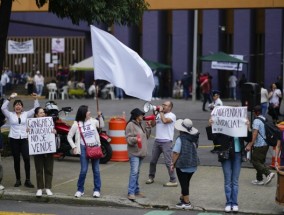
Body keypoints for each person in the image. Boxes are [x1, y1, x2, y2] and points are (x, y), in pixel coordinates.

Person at [210, 117, 251, 213]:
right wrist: (211, 125)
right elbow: (213, 138)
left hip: (237, 154)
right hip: (226, 154)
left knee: (235, 180)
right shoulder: (223, 127)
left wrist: (248, 127)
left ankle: (235, 203)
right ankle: (228, 203)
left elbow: (248, 138)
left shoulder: (240, 127)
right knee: (228, 180)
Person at [1, 92, 39, 188]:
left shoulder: (26, 114)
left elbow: (36, 109)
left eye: (20, 105)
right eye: (16, 105)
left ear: (22, 107)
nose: (18, 107)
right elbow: (3, 108)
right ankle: (18, 179)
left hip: (24, 139)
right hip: (14, 139)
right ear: (14, 107)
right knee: (16, 160)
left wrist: (35, 99)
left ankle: (28, 180)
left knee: (26, 158)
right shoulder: (10, 114)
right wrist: (9, 98)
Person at [67, 105, 104, 198]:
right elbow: (69, 136)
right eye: (88, 111)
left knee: (96, 170)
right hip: (83, 148)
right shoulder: (77, 124)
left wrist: (100, 117)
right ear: (83, 113)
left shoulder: (93, 121)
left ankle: (97, 190)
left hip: (95, 147)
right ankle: (80, 189)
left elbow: (101, 125)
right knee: (83, 170)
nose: (90, 112)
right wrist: (74, 146)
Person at [146, 100, 178, 187]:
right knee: (153, 161)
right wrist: (155, 115)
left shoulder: (172, 116)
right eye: (163, 104)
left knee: (168, 162)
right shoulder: (159, 115)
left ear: (170, 107)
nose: (163, 106)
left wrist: (160, 112)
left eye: (165, 105)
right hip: (157, 141)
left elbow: (165, 121)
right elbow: (153, 125)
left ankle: (173, 180)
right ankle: (151, 177)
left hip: (167, 142)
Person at [171, 118, 200, 209]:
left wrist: (172, 163)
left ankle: (187, 203)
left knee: (184, 184)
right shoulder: (194, 138)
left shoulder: (180, 139)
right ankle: (183, 198)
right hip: (193, 164)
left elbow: (176, 153)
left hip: (183, 164)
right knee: (186, 182)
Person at [125, 108, 151, 200]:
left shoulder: (141, 124)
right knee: (134, 172)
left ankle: (136, 191)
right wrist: (136, 139)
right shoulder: (130, 125)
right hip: (134, 153)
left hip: (141, 152)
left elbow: (146, 137)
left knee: (137, 173)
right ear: (136, 116)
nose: (143, 116)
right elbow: (128, 139)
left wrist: (148, 127)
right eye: (141, 115)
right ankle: (130, 192)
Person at [245, 105, 275, 186]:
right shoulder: (264, 119)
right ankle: (259, 179)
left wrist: (250, 145)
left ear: (255, 112)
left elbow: (255, 134)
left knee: (255, 161)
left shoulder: (256, 121)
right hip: (266, 144)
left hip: (260, 145)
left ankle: (268, 173)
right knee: (260, 161)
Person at [31, 107, 56, 197]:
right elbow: (30, 137)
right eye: (41, 113)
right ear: (36, 115)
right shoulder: (32, 124)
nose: (43, 114)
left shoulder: (49, 122)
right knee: (39, 169)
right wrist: (28, 132)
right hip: (38, 150)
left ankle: (48, 187)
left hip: (48, 149)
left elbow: (54, 132)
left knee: (49, 169)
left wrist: (54, 131)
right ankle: (39, 188)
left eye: (43, 113)